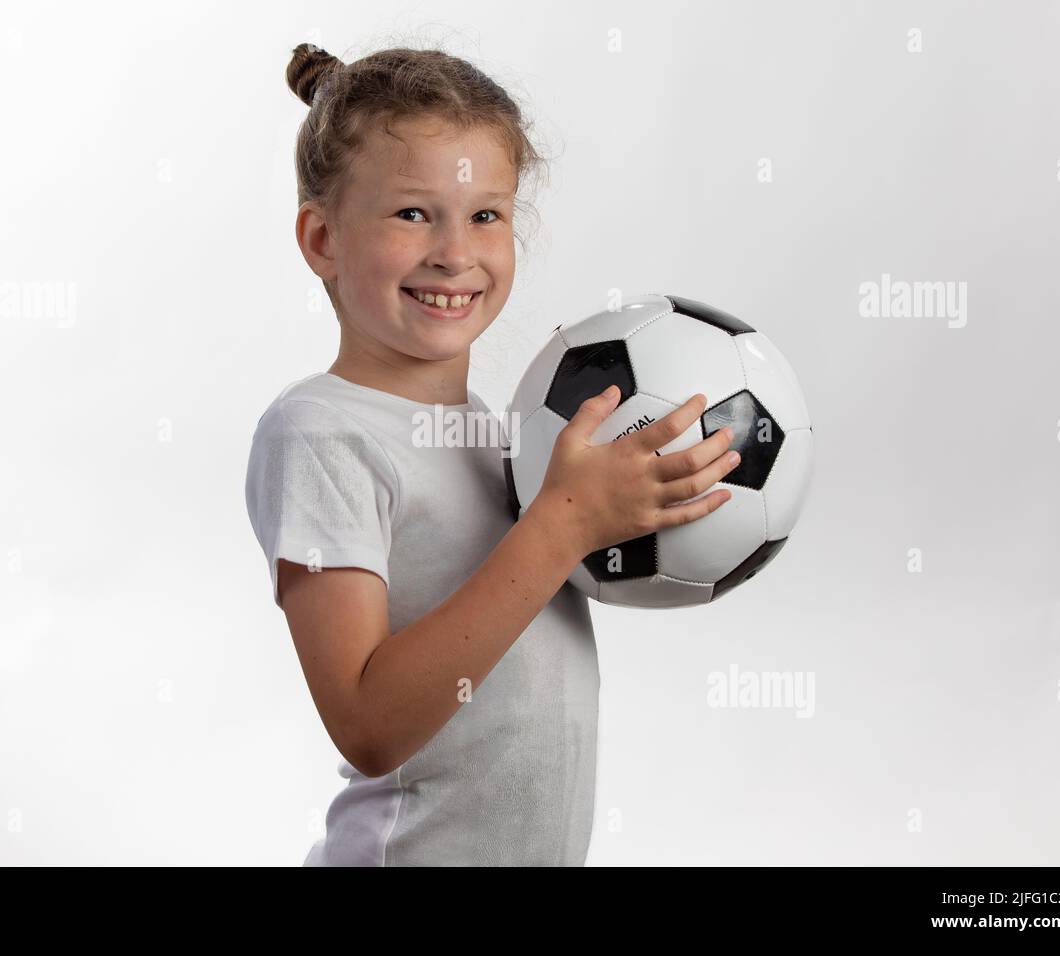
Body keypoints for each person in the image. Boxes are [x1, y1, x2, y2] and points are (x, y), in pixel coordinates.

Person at [245, 41, 740, 865]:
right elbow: (368, 727)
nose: (455, 252)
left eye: (486, 214)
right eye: (412, 213)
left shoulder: (495, 433)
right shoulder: (319, 433)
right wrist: (560, 525)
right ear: (323, 238)